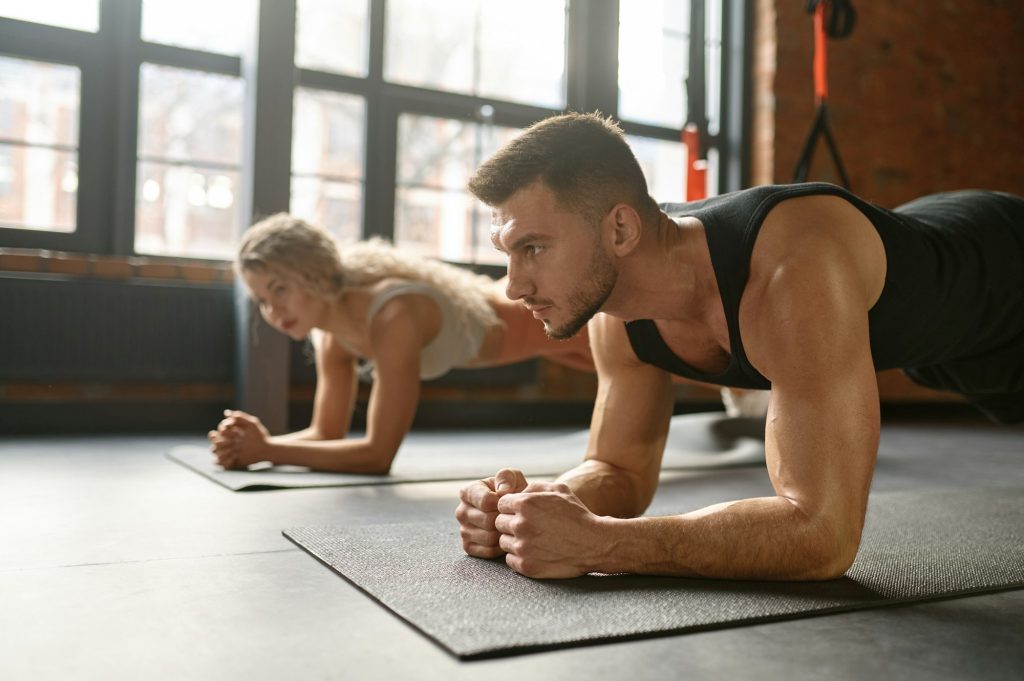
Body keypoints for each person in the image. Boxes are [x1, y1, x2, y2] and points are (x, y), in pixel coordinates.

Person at [455, 111, 1024, 581]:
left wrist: (601, 545)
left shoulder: (790, 269)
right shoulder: (615, 311)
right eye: (507, 251)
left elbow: (821, 535)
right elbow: (617, 468)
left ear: (621, 230)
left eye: (533, 248)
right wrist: (535, 507)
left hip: (1004, 261)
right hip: (944, 348)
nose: (513, 285)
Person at [208, 214, 593, 474]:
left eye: (280, 289)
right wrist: (256, 447)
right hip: (544, 341)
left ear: (312, 273)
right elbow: (326, 434)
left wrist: (267, 452)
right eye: (261, 299)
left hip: (549, 314)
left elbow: (378, 454)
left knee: (647, 378)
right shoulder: (328, 334)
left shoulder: (393, 314)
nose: (273, 309)